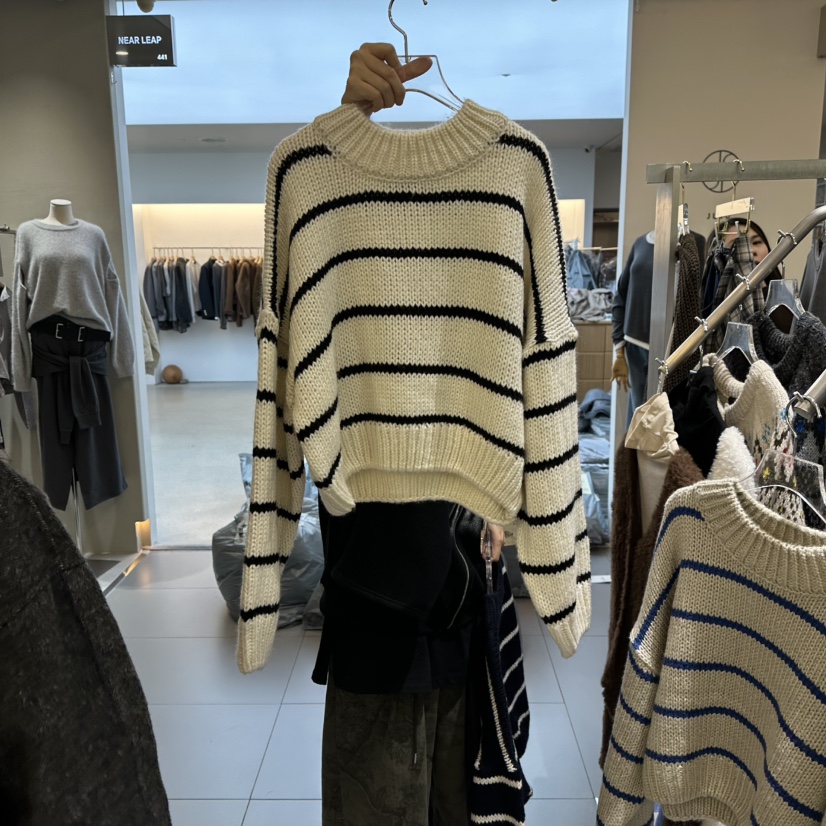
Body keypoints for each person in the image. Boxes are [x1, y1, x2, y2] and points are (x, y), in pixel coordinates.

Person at [314, 42, 506, 826]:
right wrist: (349, 117)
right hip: (376, 599)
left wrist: (503, 500)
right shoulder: (335, 213)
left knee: (460, 804)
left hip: (464, 598)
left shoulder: (491, 213)